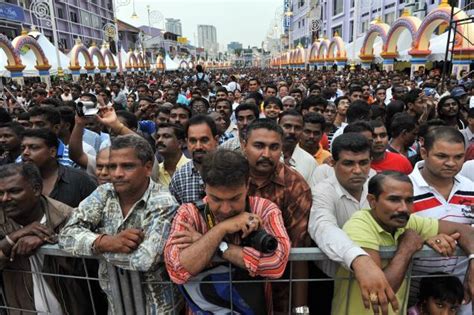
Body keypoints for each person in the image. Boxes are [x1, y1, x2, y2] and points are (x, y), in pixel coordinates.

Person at [59, 134, 182, 314]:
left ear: (148, 168)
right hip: (116, 304)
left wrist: (96, 247)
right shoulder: (104, 193)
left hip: (157, 309)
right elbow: (66, 234)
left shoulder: (164, 202)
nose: (117, 173)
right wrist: (105, 241)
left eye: (127, 166)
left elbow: (144, 259)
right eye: (112, 166)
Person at [164, 149, 290, 314]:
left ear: (247, 185)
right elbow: (177, 270)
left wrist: (212, 244)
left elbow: (276, 264)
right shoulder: (188, 213)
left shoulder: (265, 209)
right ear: (205, 187)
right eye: (215, 199)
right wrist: (221, 229)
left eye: (234, 199)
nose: (225, 209)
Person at [332, 171, 474, 315]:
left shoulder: (408, 221)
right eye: (394, 200)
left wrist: (472, 265)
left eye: (409, 200)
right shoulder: (360, 225)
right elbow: (380, 292)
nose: (404, 208)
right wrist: (406, 248)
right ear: (372, 201)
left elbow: (467, 231)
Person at [0, 163, 104, 315]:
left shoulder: (69, 217)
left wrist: (52, 239)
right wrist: (12, 238)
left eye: (14, 191)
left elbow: (92, 266)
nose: (5, 199)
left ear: (36, 189)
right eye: (0, 193)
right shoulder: (2, 220)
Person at [243, 119, 312, 314]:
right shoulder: (230, 176)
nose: (266, 154)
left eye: (274, 147)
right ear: (244, 145)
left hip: (279, 288)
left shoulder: (296, 186)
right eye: (259, 146)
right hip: (233, 283)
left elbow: (299, 252)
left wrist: (300, 310)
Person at [409, 127, 474, 314]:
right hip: (413, 292)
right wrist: (424, 238)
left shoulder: (471, 188)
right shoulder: (404, 190)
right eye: (442, 156)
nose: (451, 163)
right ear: (424, 152)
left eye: (458, 157)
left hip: (461, 295)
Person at [21, 128, 97, 208]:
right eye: (22, 148)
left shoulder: (78, 179)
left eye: (34, 147)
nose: (25, 153)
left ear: (52, 152)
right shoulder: (17, 179)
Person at [169, 115, 219, 204]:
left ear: (216, 140)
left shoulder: (231, 171)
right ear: (186, 142)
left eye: (204, 140)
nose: (198, 146)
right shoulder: (179, 177)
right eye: (193, 141)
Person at [278, 110, 318, 183]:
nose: (292, 132)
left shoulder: (310, 162)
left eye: (297, 128)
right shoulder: (268, 156)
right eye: (287, 126)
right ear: (278, 127)